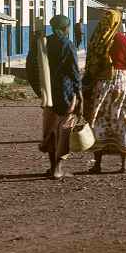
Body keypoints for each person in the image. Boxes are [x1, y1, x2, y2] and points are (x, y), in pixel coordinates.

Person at [83, 9, 126, 173]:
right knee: (124, 120)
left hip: (101, 84)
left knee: (99, 121)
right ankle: (124, 164)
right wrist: (124, 67)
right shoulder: (124, 40)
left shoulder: (96, 41)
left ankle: (97, 164)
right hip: (123, 84)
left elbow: (90, 67)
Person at [26, 15, 82, 179]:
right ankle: (58, 169)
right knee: (63, 130)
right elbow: (74, 72)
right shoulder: (67, 44)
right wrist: (79, 95)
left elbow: (31, 66)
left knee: (50, 128)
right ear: (66, 28)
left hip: (48, 93)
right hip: (65, 93)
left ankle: (52, 167)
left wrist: (39, 90)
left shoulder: (42, 43)